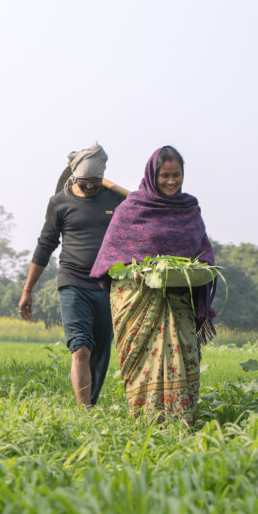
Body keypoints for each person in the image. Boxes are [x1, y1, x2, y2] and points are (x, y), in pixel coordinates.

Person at [90, 146, 216, 426]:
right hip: (138, 301)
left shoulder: (189, 208)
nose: (171, 181)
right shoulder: (132, 208)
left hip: (179, 300)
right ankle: (147, 424)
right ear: (152, 175)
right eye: (165, 176)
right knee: (145, 364)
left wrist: (202, 266)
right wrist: (135, 269)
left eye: (177, 175)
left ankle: (183, 423)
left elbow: (204, 248)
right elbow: (111, 255)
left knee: (185, 359)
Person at [19, 144, 125, 406]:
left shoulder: (115, 200)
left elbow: (141, 210)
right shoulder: (60, 202)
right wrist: (27, 289)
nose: (91, 187)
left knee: (101, 351)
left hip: (108, 285)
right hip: (73, 283)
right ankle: (83, 412)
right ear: (74, 176)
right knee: (80, 348)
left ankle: (90, 406)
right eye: (85, 182)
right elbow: (45, 245)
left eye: (96, 182)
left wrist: (113, 188)